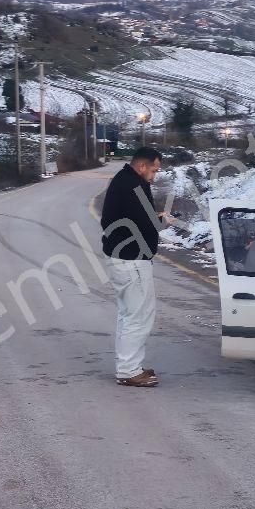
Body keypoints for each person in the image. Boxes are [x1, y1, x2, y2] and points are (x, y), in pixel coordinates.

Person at [100, 147, 169, 387]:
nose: (155, 176)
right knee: (139, 317)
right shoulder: (134, 186)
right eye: (154, 170)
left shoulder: (124, 180)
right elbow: (147, 223)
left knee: (129, 315)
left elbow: (134, 218)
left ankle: (128, 366)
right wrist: (163, 221)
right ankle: (129, 370)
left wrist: (153, 218)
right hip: (132, 261)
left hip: (122, 258)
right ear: (142, 166)